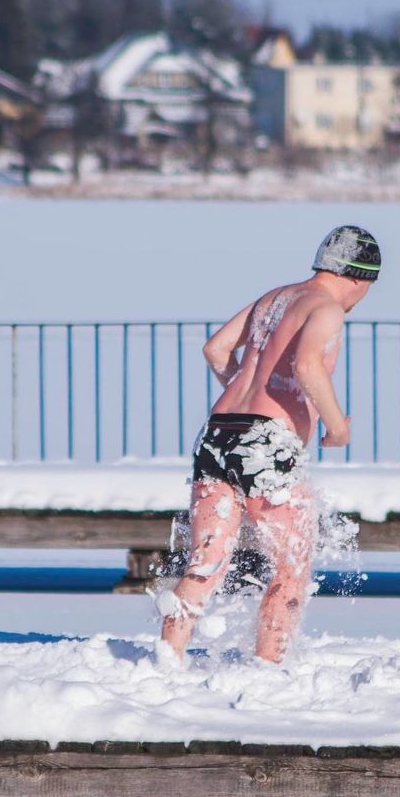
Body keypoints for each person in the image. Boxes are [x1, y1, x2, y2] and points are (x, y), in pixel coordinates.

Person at [158, 225, 380, 663]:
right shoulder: (327, 308)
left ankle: (167, 658)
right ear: (359, 278)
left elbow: (216, 350)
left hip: (219, 432)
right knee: (291, 566)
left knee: (206, 562)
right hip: (266, 444)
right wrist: (337, 428)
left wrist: (245, 392)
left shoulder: (273, 299)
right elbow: (306, 366)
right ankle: (268, 670)